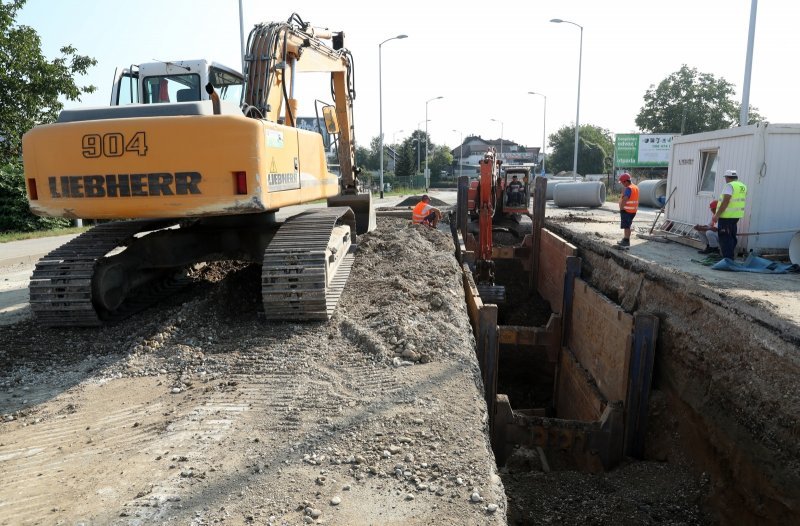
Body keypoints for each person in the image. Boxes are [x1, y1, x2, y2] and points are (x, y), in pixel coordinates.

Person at [711, 169, 747, 260]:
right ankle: (731, 256)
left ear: (727, 177)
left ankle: (727, 259)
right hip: (736, 216)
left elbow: (725, 202)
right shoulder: (742, 186)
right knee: (731, 236)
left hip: (726, 216)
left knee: (725, 237)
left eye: (725, 178)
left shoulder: (729, 186)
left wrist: (717, 215)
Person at [616, 173, 639, 247]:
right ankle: (625, 239)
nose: (622, 184)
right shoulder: (635, 187)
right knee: (628, 225)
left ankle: (626, 241)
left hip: (627, 210)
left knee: (626, 226)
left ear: (626, 181)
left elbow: (625, 199)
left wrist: (621, 208)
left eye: (622, 182)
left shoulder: (629, 188)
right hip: (633, 211)